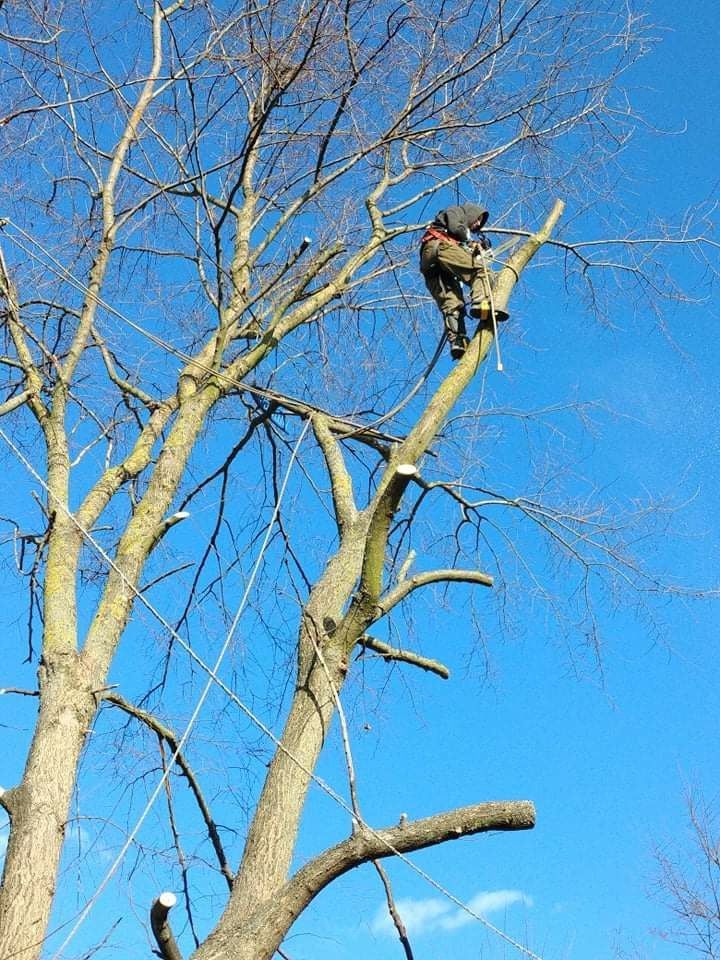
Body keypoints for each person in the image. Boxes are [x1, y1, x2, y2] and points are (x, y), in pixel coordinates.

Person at [420, 202, 508, 359]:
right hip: (439, 246)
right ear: (472, 213)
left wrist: (472, 249)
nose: (478, 224)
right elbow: (456, 228)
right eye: (478, 219)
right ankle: (482, 302)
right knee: (481, 271)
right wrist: (470, 242)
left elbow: (459, 250)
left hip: (430, 262)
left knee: (452, 304)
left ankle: (458, 341)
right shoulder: (455, 211)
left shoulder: (456, 237)